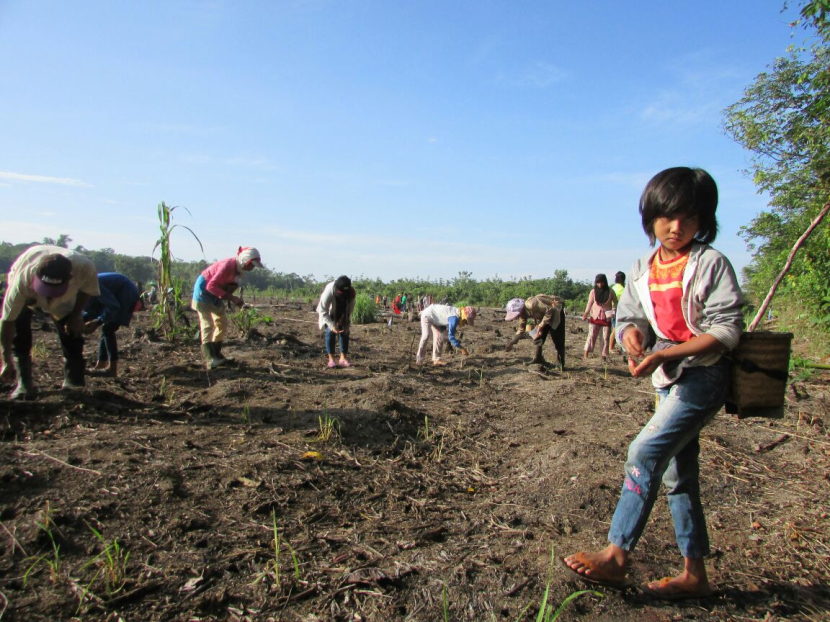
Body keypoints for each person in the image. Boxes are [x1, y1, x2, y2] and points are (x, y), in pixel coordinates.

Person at [563, 167, 744, 600]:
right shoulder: (643, 268)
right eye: (666, 217)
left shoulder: (711, 263)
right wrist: (633, 338)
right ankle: (695, 575)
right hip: (667, 378)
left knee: (644, 451)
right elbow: (631, 318)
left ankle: (616, 555)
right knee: (679, 474)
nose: (676, 227)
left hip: (704, 375)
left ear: (704, 220)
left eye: (688, 217)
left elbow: (725, 331)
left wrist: (665, 353)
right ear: (650, 220)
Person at [0, 245, 100, 399]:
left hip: (66, 298)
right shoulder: (21, 281)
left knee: (73, 332)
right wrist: (6, 361)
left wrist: (76, 316)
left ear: (70, 278)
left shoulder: (84, 268)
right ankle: (24, 384)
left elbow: (87, 290)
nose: (49, 297)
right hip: (29, 294)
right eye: (46, 290)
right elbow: (7, 321)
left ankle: (74, 382)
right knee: (20, 330)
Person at [191, 247, 263, 369]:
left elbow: (227, 287)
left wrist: (236, 300)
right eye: (251, 265)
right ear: (245, 260)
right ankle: (210, 359)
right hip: (203, 291)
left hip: (215, 294)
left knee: (222, 323)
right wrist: (233, 298)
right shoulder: (227, 265)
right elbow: (211, 286)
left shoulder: (238, 271)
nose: (252, 268)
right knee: (207, 325)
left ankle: (216, 354)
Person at [83, 273, 144, 377]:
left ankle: (112, 369)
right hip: (116, 294)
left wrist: (97, 322)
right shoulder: (82, 292)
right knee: (106, 329)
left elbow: (113, 305)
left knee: (108, 328)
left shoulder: (92, 286)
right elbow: (91, 311)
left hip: (125, 292)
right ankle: (101, 365)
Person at [504, 295, 566, 369]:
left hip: (555, 312)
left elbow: (549, 310)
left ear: (519, 309)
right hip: (544, 316)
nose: (515, 317)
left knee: (557, 339)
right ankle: (538, 358)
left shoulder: (531, 304)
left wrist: (540, 326)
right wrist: (511, 343)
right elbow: (520, 330)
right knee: (535, 335)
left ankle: (561, 364)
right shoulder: (522, 315)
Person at [317, 275, 356, 368]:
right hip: (330, 312)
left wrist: (345, 324)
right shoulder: (329, 291)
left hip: (343, 310)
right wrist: (332, 325)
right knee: (330, 332)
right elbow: (323, 311)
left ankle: (343, 359)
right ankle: (331, 359)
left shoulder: (351, 293)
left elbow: (349, 311)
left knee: (345, 331)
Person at [582, 274, 617, 362]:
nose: (600, 285)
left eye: (601, 283)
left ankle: (604, 355)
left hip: (606, 318)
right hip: (595, 317)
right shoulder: (593, 292)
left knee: (605, 338)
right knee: (591, 336)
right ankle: (586, 354)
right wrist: (586, 313)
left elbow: (616, 302)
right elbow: (589, 303)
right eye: (598, 283)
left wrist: (613, 311)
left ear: (605, 282)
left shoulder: (610, 291)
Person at [609, 271, 627, 353]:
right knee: (616, 329)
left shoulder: (613, 288)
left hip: (611, 310)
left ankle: (611, 347)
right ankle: (611, 347)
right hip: (618, 311)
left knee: (614, 329)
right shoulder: (623, 289)